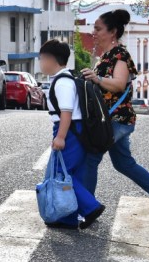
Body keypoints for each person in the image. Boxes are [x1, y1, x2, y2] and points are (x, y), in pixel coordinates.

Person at [80, 9, 149, 224]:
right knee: (124, 164)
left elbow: (118, 84)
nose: (94, 32)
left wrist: (97, 79)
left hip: (118, 119)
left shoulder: (120, 55)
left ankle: (88, 208)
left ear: (113, 32)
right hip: (108, 119)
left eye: (98, 29)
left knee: (91, 156)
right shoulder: (104, 57)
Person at [40, 40, 105, 230]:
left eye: (42, 59)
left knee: (62, 175)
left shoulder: (63, 82)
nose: (41, 64)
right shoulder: (63, 79)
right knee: (70, 173)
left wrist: (60, 137)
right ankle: (68, 218)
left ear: (52, 60)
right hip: (72, 130)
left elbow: (66, 113)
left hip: (69, 131)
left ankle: (91, 207)